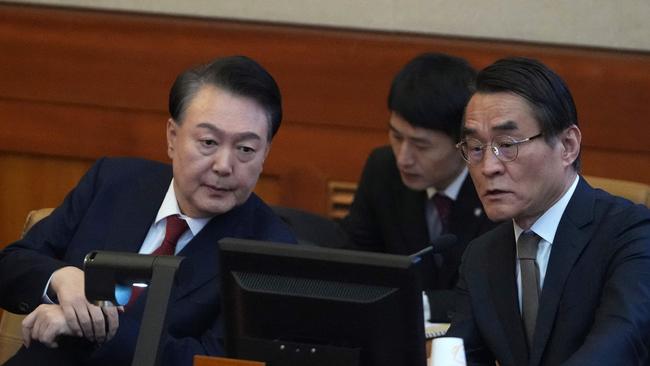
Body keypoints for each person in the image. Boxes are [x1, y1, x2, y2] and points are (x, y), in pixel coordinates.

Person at [0, 55, 296, 366]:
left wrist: (99, 327)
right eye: (208, 142)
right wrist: (61, 278)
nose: (224, 166)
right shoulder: (113, 181)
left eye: (246, 149)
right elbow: (10, 265)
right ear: (172, 137)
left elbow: (211, 361)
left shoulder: (270, 253)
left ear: (265, 156)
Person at [446, 57, 650, 365]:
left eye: (508, 144)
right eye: (476, 148)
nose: (488, 167)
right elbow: (461, 356)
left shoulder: (630, 234)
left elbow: (618, 344)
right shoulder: (482, 256)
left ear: (567, 146)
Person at [340, 53, 497, 320]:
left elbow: (495, 292)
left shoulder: (495, 183)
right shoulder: (383, 169)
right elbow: (354, 260)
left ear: (464, 143)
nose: (403, 158)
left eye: (421, 145)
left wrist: (416, 305)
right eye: (396, 136)